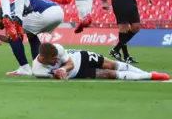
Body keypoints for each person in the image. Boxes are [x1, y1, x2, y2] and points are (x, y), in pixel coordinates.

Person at [0, 0, 64, 76]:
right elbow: (17, 39)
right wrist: (1, 37)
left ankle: (24, 68)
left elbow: (16, 37)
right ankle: (39, 66)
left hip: (45, 14)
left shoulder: (7, 12)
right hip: (58, 12)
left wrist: (2, 37)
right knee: (31, 35)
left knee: (13, 31)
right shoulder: (14, 5)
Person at [32, 43, 169, 81]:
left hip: (81, 57)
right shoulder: (39, 71)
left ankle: (144, 73)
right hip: (80, 72)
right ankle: (150, 75)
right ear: (43, 59)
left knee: (111, 64)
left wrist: (62, 69)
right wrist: (59, 73)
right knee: (110, 74)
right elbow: (57, 76)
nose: (56, 60)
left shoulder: (57, 48)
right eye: (53, 60)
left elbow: (70, 64)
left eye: (57, 58)